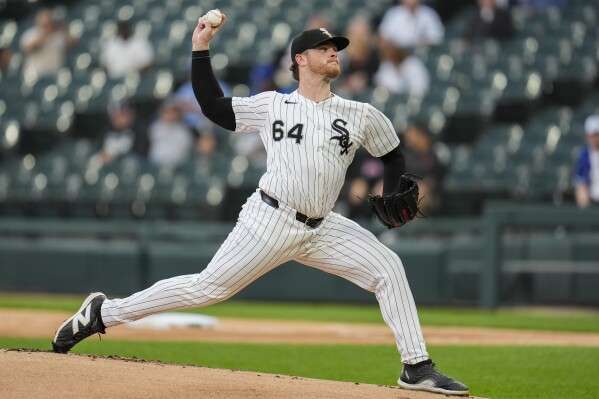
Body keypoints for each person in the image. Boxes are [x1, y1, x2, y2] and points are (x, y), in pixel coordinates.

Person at [52, 15, 469, 397]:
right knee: (206, 289)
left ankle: (416, 366)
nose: (334, 53)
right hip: (270, 219)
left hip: (323, 227)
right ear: (300, 59)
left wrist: (395, 189)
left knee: (388, 268)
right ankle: (104, 312)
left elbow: (393, 153)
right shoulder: (274, 104)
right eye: (325, 48)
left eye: (336, 48)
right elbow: (213, 108)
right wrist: (200, 49)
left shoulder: (361, 114)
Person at [20, 9, 71, 79]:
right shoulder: (30, 34)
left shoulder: (58, 35)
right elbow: (28, 49)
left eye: (49, 22)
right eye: (45, 23)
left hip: (54, 74)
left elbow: (72, 44)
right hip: (35, 75)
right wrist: (46, 35)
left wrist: (64, 29)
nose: (47, 25)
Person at [337, 16, 380, 96]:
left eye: (362, 35)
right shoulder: (340, 59)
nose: (358, 40)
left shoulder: (377, 58)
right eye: (354, 35)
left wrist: (366, 80)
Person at [378, 0, 444, 49]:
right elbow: (383, 39)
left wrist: (419, 43)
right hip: (398, 56)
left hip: (423, 55)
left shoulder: (429, 13)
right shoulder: (393, 13)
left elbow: (437, 38)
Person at [88, 102, 137, 168]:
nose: (119, 118)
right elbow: (97, 148)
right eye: (116, 115)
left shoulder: (137, 132)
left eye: (123, 115)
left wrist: (113, 157)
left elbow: (136, 155)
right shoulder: (105, 131)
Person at [148, 100, 193, 168]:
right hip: (155, 166)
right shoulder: (155, 128)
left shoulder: (184, 131)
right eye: (167, 112)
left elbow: (185, 152)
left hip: (177, 167)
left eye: (173, 112)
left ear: (178, 114)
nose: (170, 115)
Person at [574, 115, 599, 208]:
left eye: (596, 134)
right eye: (591, 135)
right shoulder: (584, 155)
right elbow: (581, 181)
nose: (593, 138)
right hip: (592, 201)